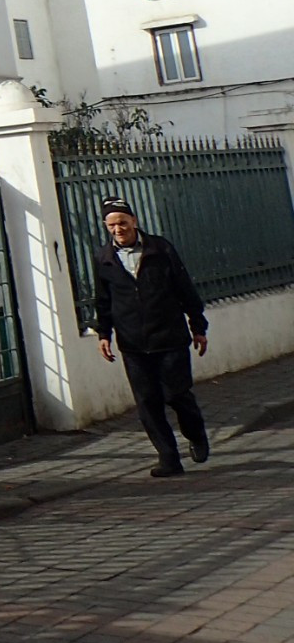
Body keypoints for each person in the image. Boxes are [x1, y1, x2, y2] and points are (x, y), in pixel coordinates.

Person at [92, 197, 210, 478]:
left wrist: (198, 326)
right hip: (133, 343)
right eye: (111, 225)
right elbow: (102, 300)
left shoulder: (161, 249)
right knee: (147, 402)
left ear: (133, 221)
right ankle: (168, 458)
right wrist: (103, 334)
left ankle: (196, 435)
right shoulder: (103, 258)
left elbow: (184, 288)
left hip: (169, 336)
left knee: (177, 394)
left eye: (122, 222)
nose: (118, 229)